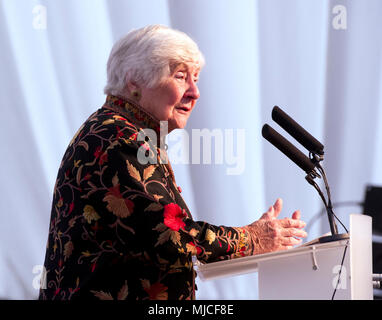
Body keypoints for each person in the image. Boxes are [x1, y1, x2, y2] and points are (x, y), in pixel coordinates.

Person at [39, 24, 307, 300]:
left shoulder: (119, 129)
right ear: (134, 81)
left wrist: (254, 239)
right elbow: (170, 237)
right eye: (181, 76)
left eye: (197, 79)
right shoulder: (120, 138)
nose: (195, 92)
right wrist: (252, 239)